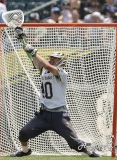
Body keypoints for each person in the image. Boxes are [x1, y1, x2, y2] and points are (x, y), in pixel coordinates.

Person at [10, 27, 101, 158]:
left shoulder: (62, 73)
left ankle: (90, 152)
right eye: (51, 58)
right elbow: (35, 59)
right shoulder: (44, 71)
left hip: (59, 115)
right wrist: (24, 42)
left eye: (55, 58)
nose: (52, 60)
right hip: (44, 114)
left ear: (61, 61)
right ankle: (25, 151)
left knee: (74, 143)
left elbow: (45, 64)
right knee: (23, 133)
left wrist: (34, 52)